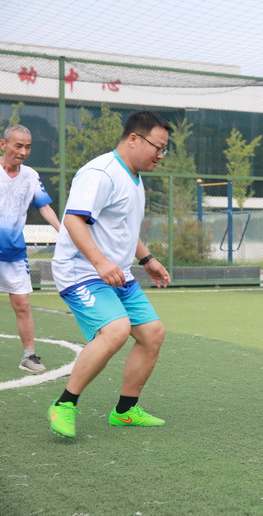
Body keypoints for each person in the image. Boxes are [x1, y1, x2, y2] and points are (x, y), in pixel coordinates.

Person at [47, 111, 173, 439]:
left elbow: (122, 228)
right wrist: (100, 262)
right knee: (116, 330)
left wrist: (147, 258)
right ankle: (64, 404)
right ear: (134, 139)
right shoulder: (100, 173)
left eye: (164, 149)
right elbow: (73, 220)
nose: (161, 155)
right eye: (157, 147)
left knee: (152, 334)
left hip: (117, 273)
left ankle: (125, 411)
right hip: (80, 270)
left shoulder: (134, 177)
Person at [0, 124, 61, 372]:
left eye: (28, 147)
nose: (23, 152)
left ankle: (29, 356)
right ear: (3, 145)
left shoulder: (31, 176)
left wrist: (62, 231)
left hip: (14, 254)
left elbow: (44, 207)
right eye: (18, 146)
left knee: (23, 305)